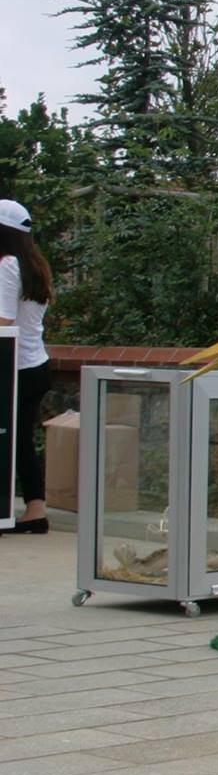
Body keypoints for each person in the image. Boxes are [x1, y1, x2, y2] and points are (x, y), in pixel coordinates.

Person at [0, 199, 51, 534]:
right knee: (20, 439)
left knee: (9, 439)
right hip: (34, 364)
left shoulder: (6, 266)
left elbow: (4, 323)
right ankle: (35, 510)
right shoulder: (34, 265)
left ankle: (23, 511)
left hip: (13, 367)